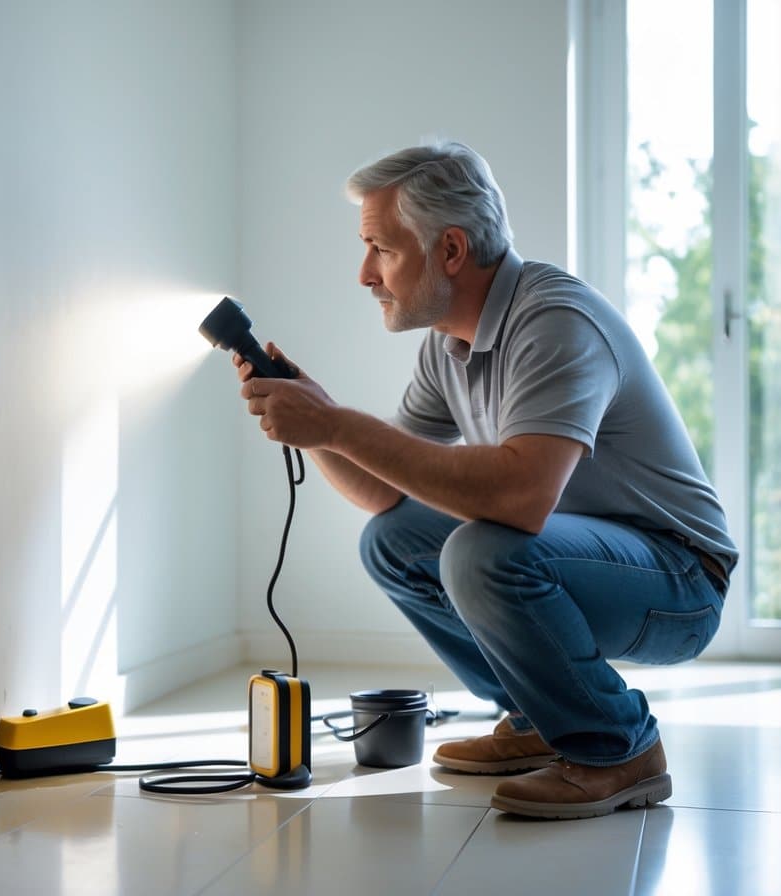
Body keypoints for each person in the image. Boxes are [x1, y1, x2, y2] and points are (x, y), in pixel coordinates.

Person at [234, 140, 737, 820]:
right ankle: (537, 719)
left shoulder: (554, 323)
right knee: (394, 539)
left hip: (681, 580)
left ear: (450, 251)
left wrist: (338, 425)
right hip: (585, 552)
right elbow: (386, 492)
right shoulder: (448, 344)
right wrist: (320, 424)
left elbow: (521, 499)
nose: (365, 274)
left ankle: (616, 749)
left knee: (481, 551)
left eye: (381, 248)